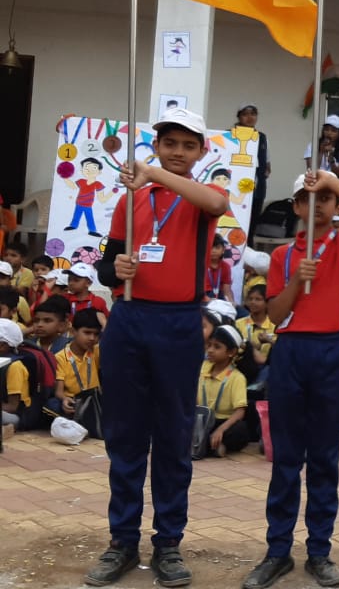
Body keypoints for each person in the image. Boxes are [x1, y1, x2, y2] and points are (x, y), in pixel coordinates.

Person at [86, 107, 229, 588]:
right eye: (170, 144)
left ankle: (168, 542)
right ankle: (122, 541)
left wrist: (153, 174)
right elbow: (107, 264)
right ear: (157, 145)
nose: (178, 152)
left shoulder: (201, 198)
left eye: (188, 146)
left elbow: (214, 202)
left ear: (201, 152)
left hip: (178, 323)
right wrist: (116, 270)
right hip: (129, 319)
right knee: (125, 435)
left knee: (173, 434)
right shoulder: (131, 199)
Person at [243, 170, 339, 589]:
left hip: (331, 352)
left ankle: (320, 551)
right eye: (308, 198)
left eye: (325, 199)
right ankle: (278, 551)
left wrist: (333, 182)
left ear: (336, 205)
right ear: (297, 206)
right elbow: (275, 314)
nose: (317, 204)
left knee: (324, 457)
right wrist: (296, 280)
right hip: (290, 351)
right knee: (286, 457)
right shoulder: (283, 256)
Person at [198, 324, 249, 456]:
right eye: (209, 345)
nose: (210, 350)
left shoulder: (237, 377)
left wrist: (220, 429)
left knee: (240, 430)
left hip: (222, 422)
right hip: (201, 420)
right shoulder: (202, 369)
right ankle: (211, 447)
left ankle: (206, 445)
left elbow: (240, 412)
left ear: (231, 352)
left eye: (217, 347)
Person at [53, 307, 102, 418]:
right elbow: (59, 392)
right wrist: (64, 399)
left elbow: (115, 343)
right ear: (73, 332)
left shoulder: (96, 351)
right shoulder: (60, 357)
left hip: (95, 401)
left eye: (96, 334)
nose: (92, 338)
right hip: (74, 402)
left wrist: (104, 322)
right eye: (87, 333)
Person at [237, 104, 271, 224]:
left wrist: (265, 172)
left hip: (257, 188)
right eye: (245, 114)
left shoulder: (262, 138)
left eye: (253, 114)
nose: (250, 117)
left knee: (252, 220)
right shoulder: (230, 135)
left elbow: (267, 164)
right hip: (236, 186)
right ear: (239, 117)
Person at [204, 235, 234, 307]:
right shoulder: (200, 265)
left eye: (217, 248)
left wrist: (231, 303)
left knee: (242, 312)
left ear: (223, 250)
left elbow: (227, 290)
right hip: (204, 296)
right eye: (210, 247)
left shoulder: (226, 266)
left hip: (219, 297)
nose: (213, 251)